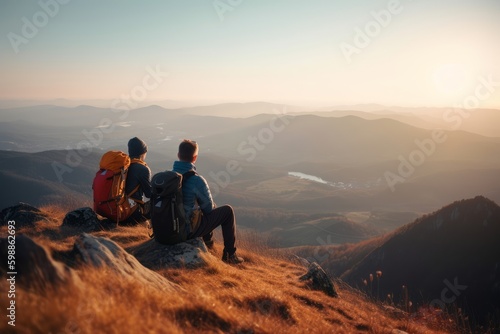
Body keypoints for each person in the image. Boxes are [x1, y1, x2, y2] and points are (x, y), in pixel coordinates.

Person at [172, 139, 244, 264]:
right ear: (195, 158)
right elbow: (209, 209)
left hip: (168, 227)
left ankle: (208, 245)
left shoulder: (168, 177)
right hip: (186, 230)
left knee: (199, 209)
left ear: (178, 155)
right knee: (227, 211)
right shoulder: (197, 180)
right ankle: (230, 255)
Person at [124, 137, 152, 224]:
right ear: (143, 153)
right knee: (161, 201)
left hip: (118, 207)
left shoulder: (123, 165)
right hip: (133, 213)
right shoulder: (143, 169)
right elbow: (149, 194)